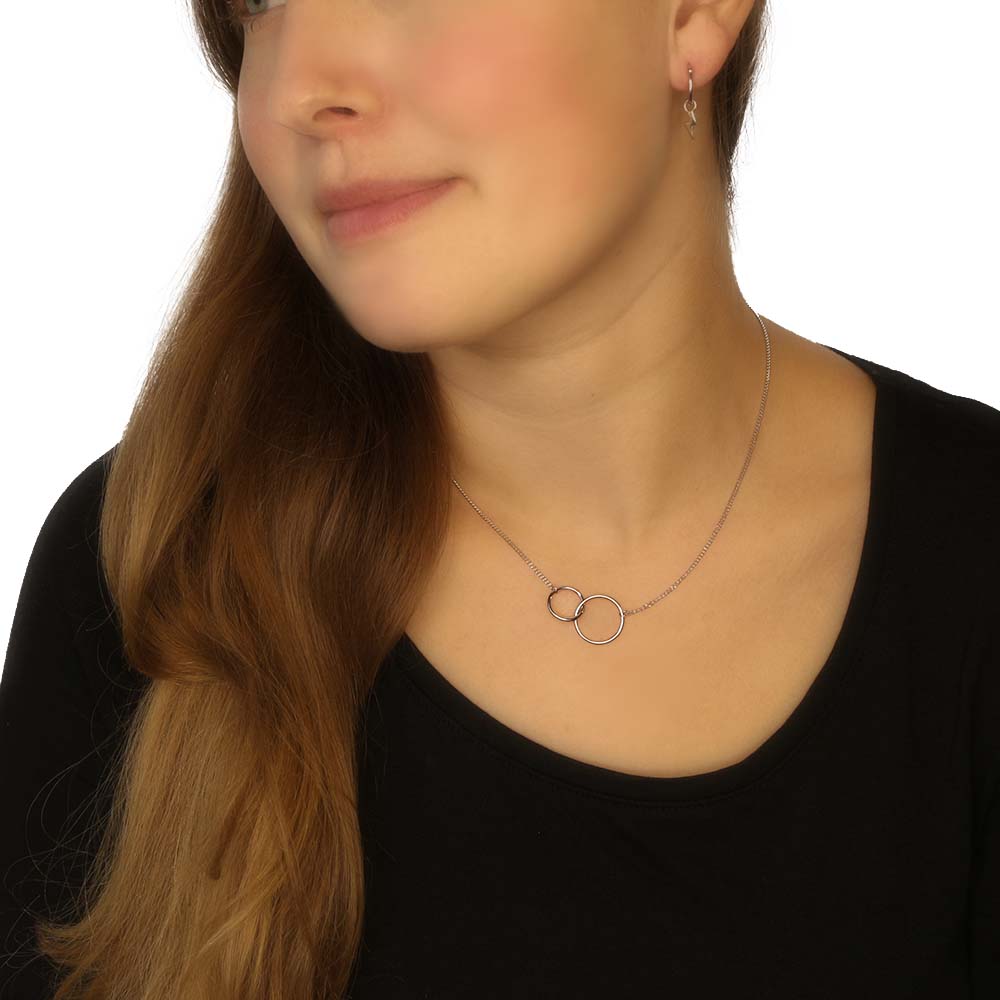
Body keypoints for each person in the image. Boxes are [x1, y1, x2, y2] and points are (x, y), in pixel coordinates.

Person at [2, 0, 998, 997]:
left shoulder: (974, 549)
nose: (302, 88)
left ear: (693, 14)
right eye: (260, 4)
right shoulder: (155, 577)